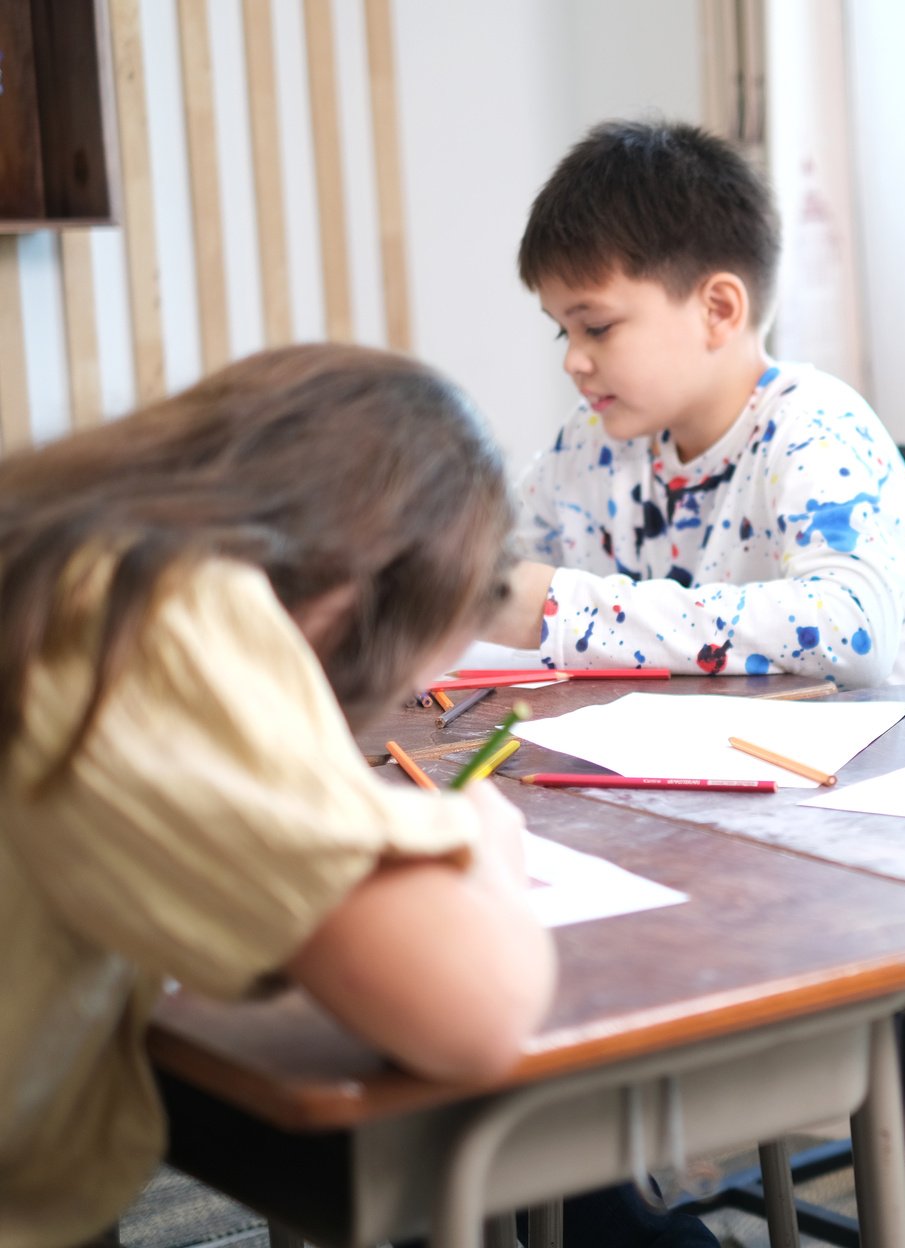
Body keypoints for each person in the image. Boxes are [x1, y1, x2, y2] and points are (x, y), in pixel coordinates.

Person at [0, 345, 557, 1248]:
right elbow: (477, 1009)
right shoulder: (148, 603)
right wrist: (478, 839)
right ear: (351, 594)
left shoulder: (51, 546)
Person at [481, 119, 905, 687]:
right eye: (562, 332)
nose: (573, 360)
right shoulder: (590, 444)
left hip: (846, 766)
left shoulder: (814, 429)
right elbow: (498, 578)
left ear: (718, 311)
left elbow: (852, 634)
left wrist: (559, 610)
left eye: (595, 327)